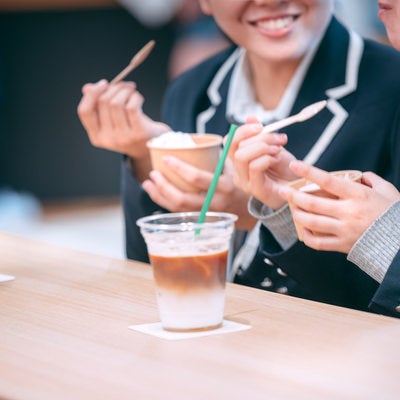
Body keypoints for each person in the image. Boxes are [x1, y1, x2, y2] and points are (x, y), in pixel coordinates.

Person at [78, 1, 400, 312]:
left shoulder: (392, 87)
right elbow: (150, 283)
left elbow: (377, 300)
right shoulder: (192, 91)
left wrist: (260, 217)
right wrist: (144, 157)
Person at [227, 0, 400, 314]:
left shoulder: (390, 85)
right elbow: (363, 296)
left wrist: (387, 238)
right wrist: (286, 205)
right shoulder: (191, 90)